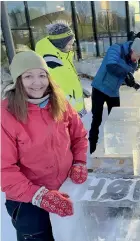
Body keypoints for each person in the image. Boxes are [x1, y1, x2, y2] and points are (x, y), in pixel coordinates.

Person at [1, 51, 88, 241]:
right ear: (17, 80)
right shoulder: (5, 115)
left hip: (65, 190)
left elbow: (79, 136)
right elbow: (4, 169)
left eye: (42, 75)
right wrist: (39, 196)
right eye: (28, 76)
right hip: (27, 201)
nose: (37, 82)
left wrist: (79, 161)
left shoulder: (60, 102)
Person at [89, 37, 140, 154]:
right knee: (97, 119)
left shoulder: (133, 62)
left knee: (116, 119)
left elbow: (126, 76)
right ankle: (93, 148)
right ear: (132, 50)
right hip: (100, 88)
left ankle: (115, 146)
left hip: (113, 92)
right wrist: (126, 75)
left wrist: (131, 82)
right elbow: (111, 66)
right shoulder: (116, 49)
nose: (138, 59)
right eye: (138, 56)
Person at [35, 22, 87, 117]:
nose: (71, 47)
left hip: (75, 109)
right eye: (69, 44)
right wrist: (75, 111)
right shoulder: (52, 63)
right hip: (68, 113)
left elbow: (66, 81)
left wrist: (79, 91)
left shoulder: (63, 56)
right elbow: (57, 90)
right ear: (60, 44)